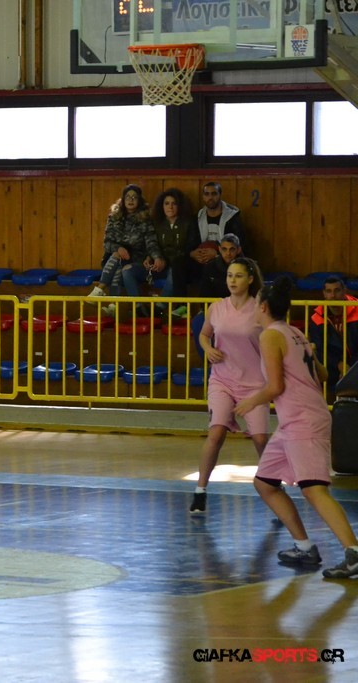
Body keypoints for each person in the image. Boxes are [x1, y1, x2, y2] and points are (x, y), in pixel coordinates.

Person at [234, 276, 358, 579]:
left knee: (314, 490)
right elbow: (323, 375)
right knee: (265, 484)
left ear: (264, 307)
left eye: (256, 303)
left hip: (303, 420)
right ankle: (304, 547)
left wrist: (249, 402)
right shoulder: (295, 332)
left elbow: (275, 386)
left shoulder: (270, 336)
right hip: (295, 420)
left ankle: (354, 553)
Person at [190, 257, 269, 514]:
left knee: (260, 438)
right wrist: (207, 348)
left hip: (255, 383)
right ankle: (200, 491)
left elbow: (275, 338)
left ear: (250, 279)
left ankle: (274, 488)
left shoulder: (260, 310)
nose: (232, 280)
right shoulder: (216, 307)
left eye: (238, 276)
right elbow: (204, 334)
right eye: (229, 275)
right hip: (222, 379)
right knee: (216, 433)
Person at [87, 185, 163, 307]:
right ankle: (112, 304)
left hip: (137, 258)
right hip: (115, 257)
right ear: (123, 199)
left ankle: (100, 290)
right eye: (128, 197)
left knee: (120, 262)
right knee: (118, 257)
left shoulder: (145, 219)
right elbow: (107, 243)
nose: (130, 200)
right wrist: (118, 248)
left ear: (139, 200)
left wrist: (156, 257)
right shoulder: (114, 217)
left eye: (134, 197)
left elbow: (151, 242)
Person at [149, 188, 199, 303]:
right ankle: (138, 307)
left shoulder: (189, 222)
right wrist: (155, 257)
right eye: (166, 203)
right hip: (160, 265)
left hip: (181, 266)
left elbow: (191, 246)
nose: (170, 207)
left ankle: (160, 306)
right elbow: (152, 243)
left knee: (176, 268)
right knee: (130, 271)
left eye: (174, 203)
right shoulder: (157, 223)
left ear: (180, 205)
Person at [309, 276, 358, 388]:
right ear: (324, 294)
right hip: (332, 367)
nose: (333, 295)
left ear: (344, 291)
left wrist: (350, 369)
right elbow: (321, 349)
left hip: (355, 364)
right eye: (329, 291)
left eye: (337, 290)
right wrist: (340, 365)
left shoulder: (357, 308)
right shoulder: (316, 318)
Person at [191, 182, 245, 268]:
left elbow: (239, 243)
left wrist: (218, 253)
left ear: (220, 195)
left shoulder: (232, 217)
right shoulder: (197, 217)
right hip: (201, 259)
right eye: (207, 194)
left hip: (225, 259)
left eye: (214, 194)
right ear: (203, 196)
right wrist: (192, 253)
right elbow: (190, 242)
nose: (210, 197)